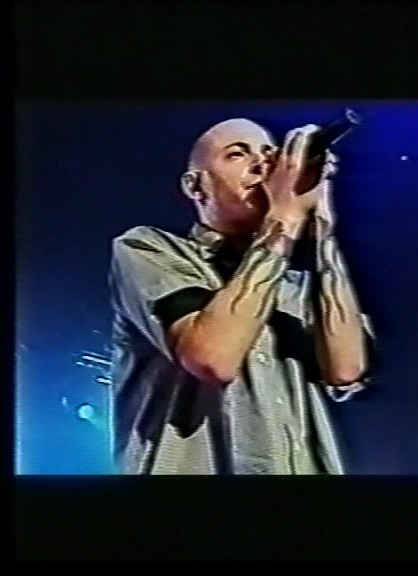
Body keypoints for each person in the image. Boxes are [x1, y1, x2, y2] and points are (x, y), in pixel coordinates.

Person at [108, 118, 374, 475]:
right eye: (237, 154)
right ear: (195, 186)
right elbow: (212, 359)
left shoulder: (296, 286)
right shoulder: (149, 250)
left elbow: (346, 369)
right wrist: (284, 218)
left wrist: (322, 228)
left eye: (269, 154)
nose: (263, 165)